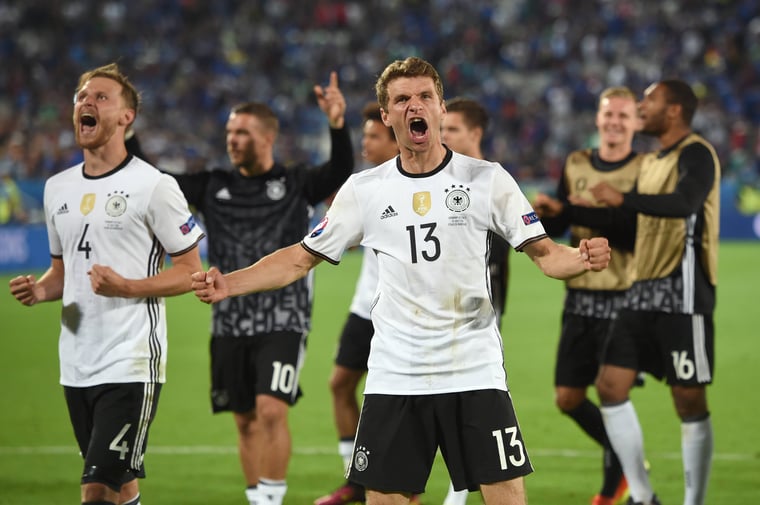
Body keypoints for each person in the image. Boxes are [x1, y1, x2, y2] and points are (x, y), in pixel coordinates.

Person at [191, 56, 612, 505]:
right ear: (387, 115)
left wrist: (581, 258)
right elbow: (299, 258)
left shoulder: (486, 180)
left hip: (472, 369)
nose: (416, 106)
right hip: (396, 375)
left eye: (425, 96)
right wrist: (228, 284)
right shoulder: (365, 190)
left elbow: (547, 256)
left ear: (441, 109)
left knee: (507, 497)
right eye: (402, 99)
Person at [8, 63, 204, 505]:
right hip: (75, 361)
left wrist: (128, 287)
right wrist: (40, 290)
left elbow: (191, 271)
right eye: (81, 96)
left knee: (95, 490)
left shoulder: (154, 186)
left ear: (125, 117)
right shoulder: (56, 188)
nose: (86, 103)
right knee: (121, 487)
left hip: (131, 361)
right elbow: (62, 273)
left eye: (101, 97)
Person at [171, 72, 353, 505]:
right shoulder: (211, 185)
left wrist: (337, 124)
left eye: (242, 132)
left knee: (272, 409)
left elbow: (340, 171)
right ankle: (259, 499)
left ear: (267, 137)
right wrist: (126, 133)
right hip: (228, 321)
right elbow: (154, 181)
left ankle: (271, 499)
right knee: (245, 419)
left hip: (284, 319)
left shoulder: (296, 183)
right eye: (230, 132)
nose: (232, 139)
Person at [589, 80, 720, 505]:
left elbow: (685, 203)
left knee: (688, 398)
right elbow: (638, 223)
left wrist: (623, 197)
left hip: (683, 295)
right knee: (610, 385)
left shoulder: (697, 153)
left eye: (650, 100)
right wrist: (577, 213)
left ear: (676, 110)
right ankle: (644, 497)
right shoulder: (651, 161)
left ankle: (692, 501)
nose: (642, 107)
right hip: (641, 290)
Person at [531, 86, 642, 505]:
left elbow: (632, 229)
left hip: (621, 302)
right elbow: (564, 228)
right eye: (608, 114)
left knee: (613, 396)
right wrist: (551, 216)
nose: (614, 122)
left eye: (623, 116)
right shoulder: (576, 162)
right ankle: (626, 459)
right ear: (598, 119)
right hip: (578, 301)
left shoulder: (644, 168)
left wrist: (575, 210)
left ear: (634, 123)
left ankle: (615, 488)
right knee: (568, 397)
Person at [315, 102, 410, 505]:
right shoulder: (363, 186)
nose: (365, 143)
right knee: (340, 385)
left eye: (373, 136)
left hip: (401, 311)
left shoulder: (415, 184)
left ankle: (402, 484)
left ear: (394, 140)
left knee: (397, 403)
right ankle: (356, 481)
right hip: (363, 305)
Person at [438, 96, 509, 505]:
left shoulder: (492, 182)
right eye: (443, 129)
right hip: (438, 312)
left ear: (475, 134)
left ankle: (459, 493)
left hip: (479, 314)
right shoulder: (439, 179)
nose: (444, 136)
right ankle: (457, 492)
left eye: (453, 130)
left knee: (470, 405)